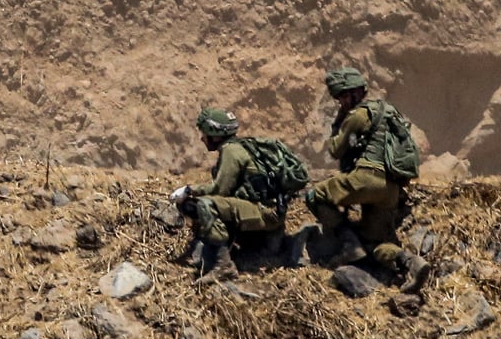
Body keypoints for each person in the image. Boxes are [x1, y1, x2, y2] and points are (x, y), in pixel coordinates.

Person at [305, 67, 430, 294]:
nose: (341, 101)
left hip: (365, 179)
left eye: (342, 96)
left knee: (315, 195)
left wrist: (340, 120)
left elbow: (335, 150)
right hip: (390, 189)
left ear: (352, 94)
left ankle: (348, 244)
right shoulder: (389, 112)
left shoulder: (358, 116)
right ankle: (410, 262)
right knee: (376, 243)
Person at [170, 107, 286, 284]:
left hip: (265, 213)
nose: (202, 138)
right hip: (264, 209)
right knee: (199, 205)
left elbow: (220, 190)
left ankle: (224, 266)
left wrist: (190, 190)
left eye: (205, 133)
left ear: (215, 135)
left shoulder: (231, 152)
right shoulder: (238, 147)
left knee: (206, 205)